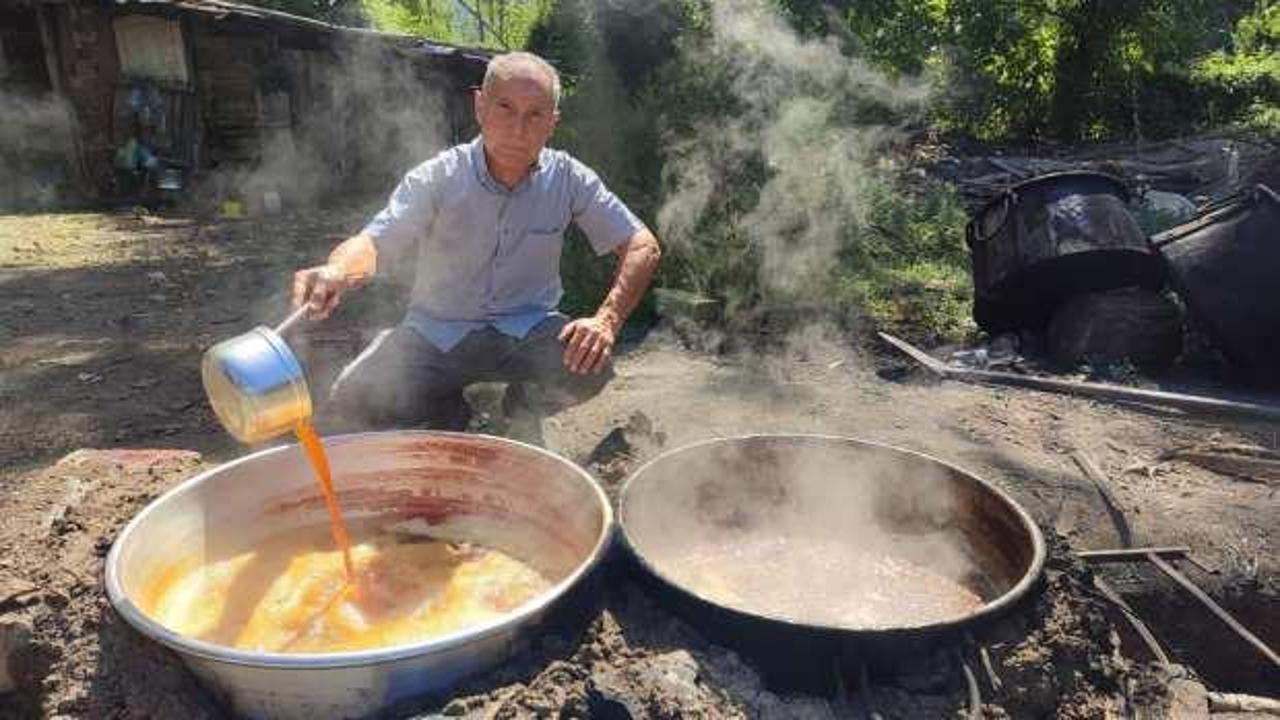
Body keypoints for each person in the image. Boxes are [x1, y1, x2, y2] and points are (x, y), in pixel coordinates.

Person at [291, 51, 661, 435]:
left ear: (552, 123)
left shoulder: (569, 179)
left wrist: (607, 319)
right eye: (505, 108)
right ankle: (449, 406)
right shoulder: (440, 176)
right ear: (480, 106)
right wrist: (337, 271)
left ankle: (519, 406)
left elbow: (642, 244)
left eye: (535, 114)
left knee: (590, 364)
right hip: (436, 334)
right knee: (356, 398)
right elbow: (375, 241)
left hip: (527, 333)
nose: (519, 129)